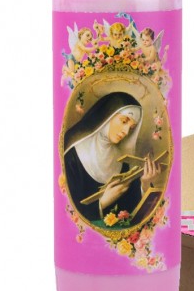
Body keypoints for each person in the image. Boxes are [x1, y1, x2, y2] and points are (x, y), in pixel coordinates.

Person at [63, 92, 160, 224]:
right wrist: (102, 203)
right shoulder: (72, 154)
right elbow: (66, 212)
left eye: (131, 128)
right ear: (107, 115)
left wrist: (145, 183)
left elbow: (129, 209)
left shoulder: (121, 160)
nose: (126, 132)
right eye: (124, 121)